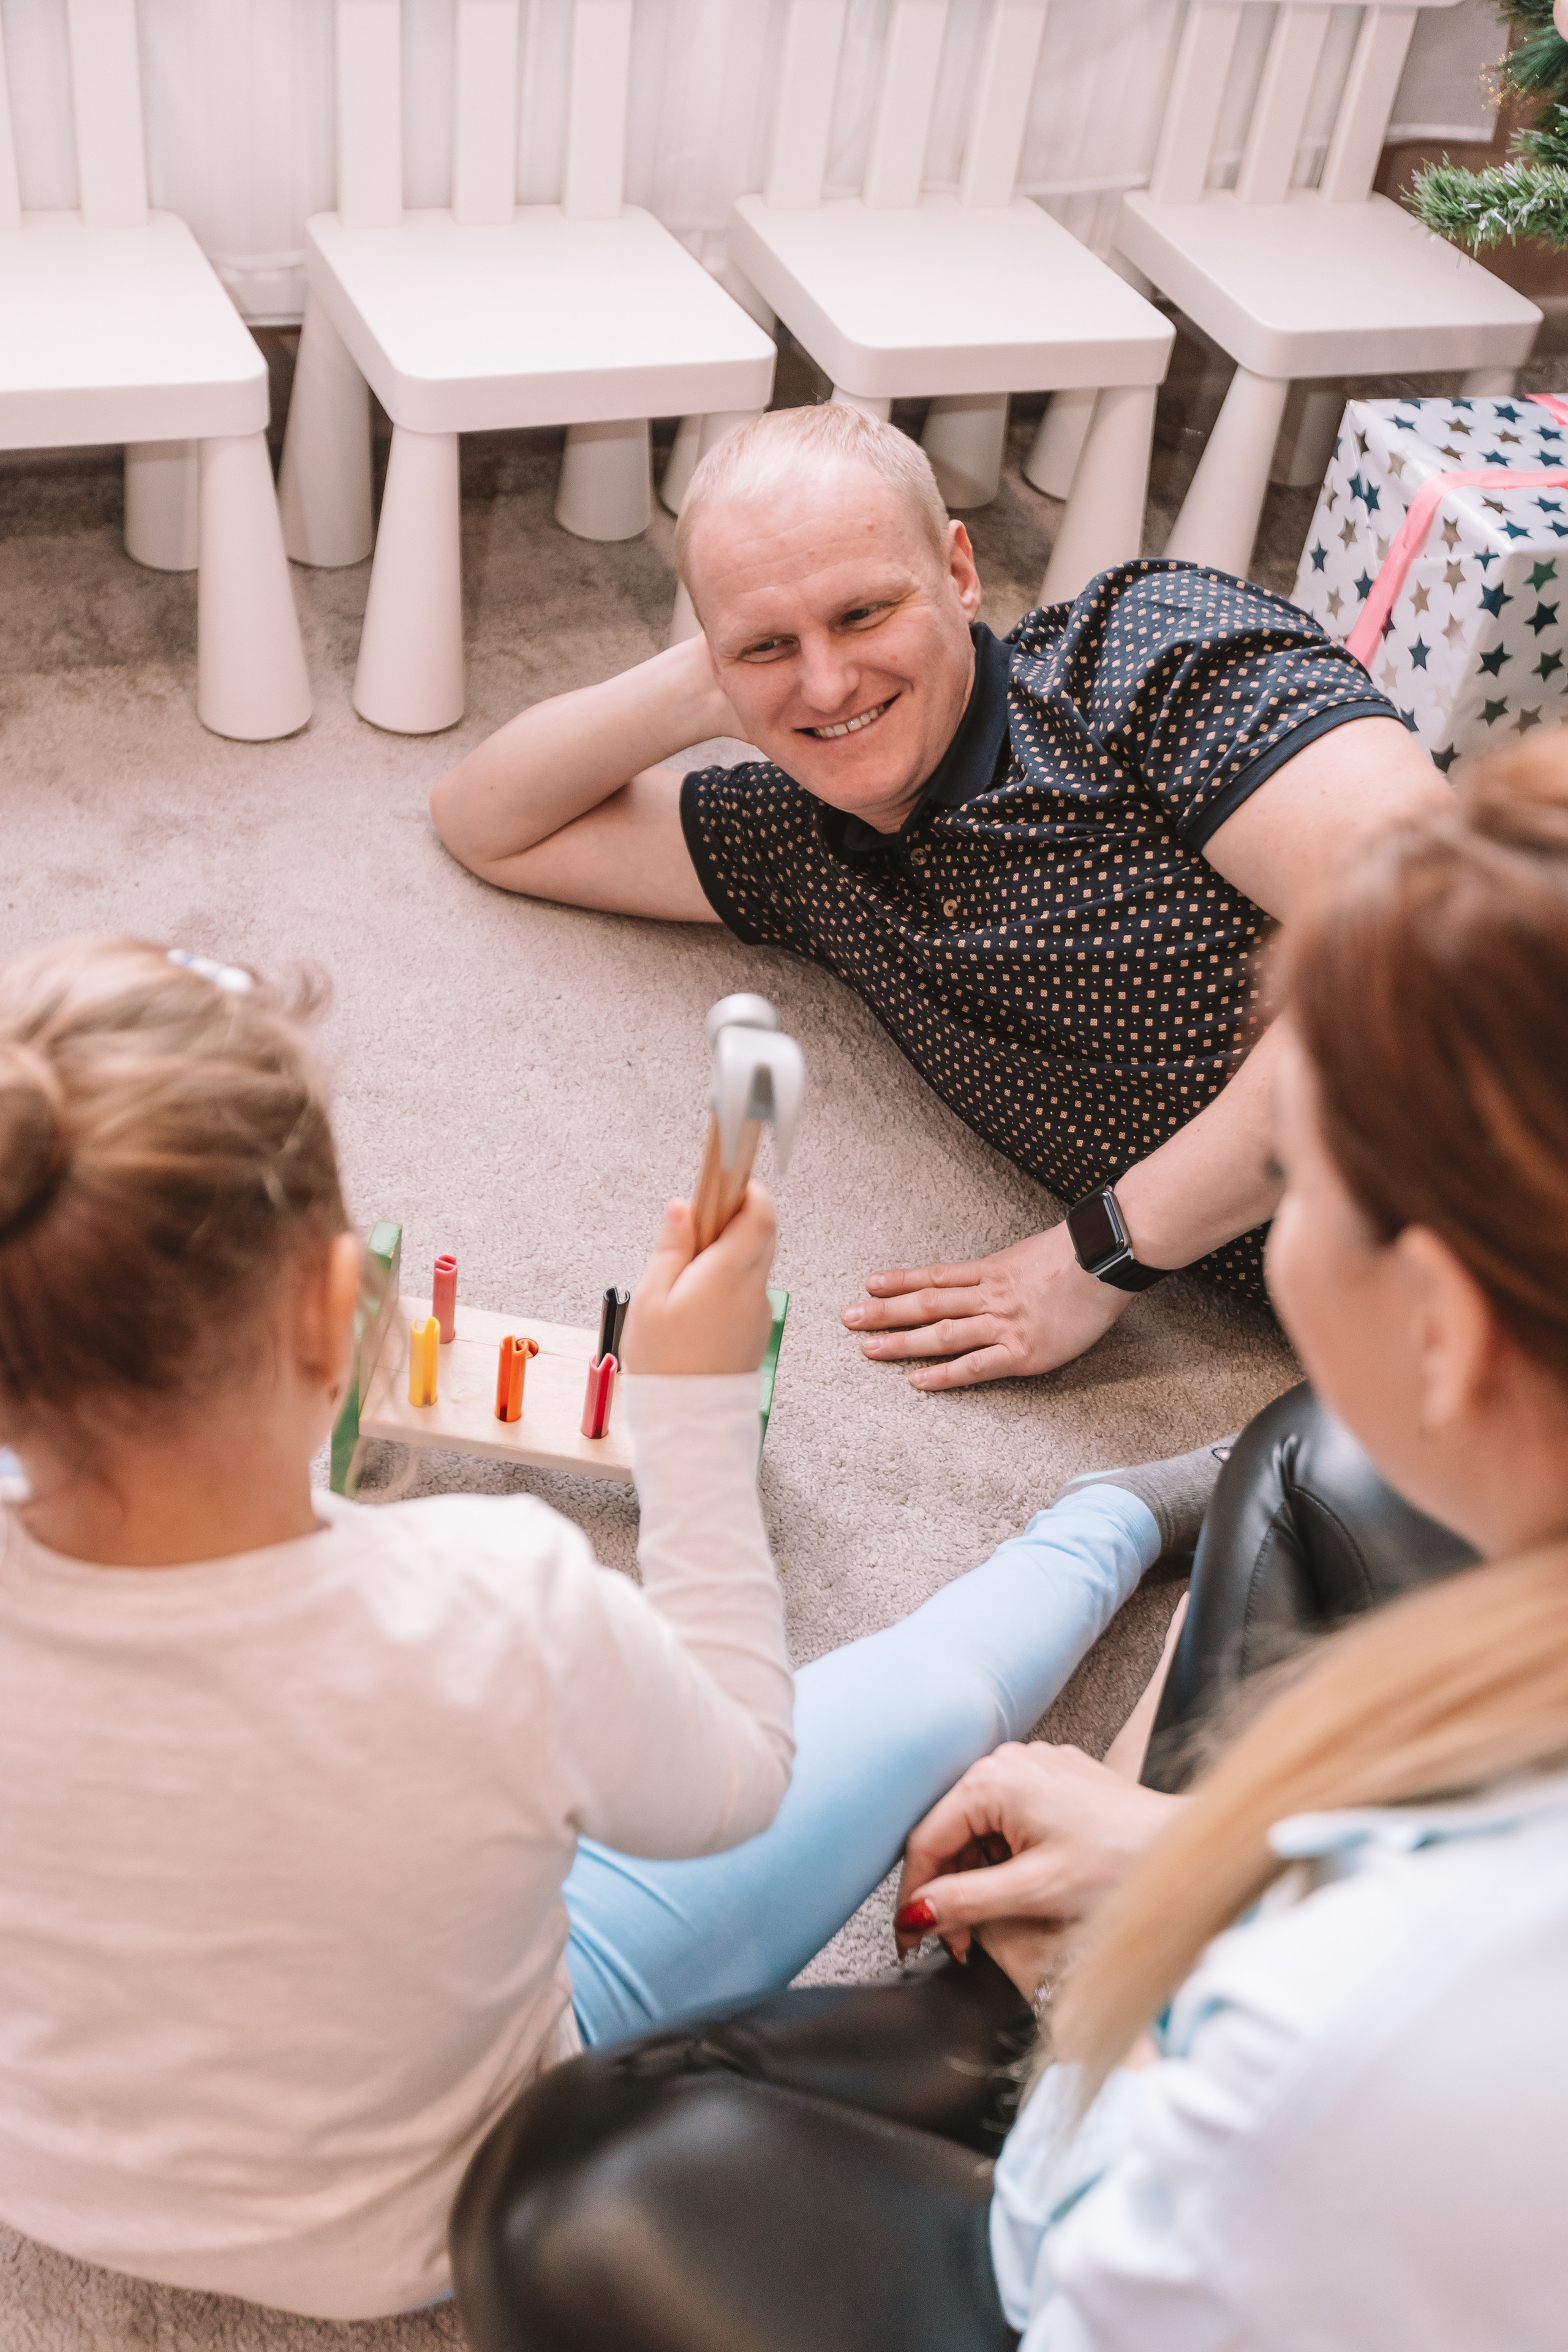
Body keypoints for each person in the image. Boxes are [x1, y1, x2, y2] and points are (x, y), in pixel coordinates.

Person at [448, 742, 1568, 2352]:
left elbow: (1118, 2290)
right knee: (1311, 1456)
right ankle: (1008, 1985)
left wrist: (1134, 1973)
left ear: (1451, 1324)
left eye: (1292, 1178)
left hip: (1163, 2212)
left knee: (576, 2185)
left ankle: (1008, 2007)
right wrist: (1171, 1850)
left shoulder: (1354, 2045)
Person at [0, 932, 1230, 2322]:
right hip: (422, 2204)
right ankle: (1106, 1522)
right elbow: (736, 1773)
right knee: (930, 1696)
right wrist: (691, 1418)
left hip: (52, 2177)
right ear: (341, 1315)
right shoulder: (489, 1600)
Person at [431, 401, 1444, 1392]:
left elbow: (1428, 948)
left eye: (863, 613)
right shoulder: (800, 839)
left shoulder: (1143, 649)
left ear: (959, 572)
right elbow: (488, 818)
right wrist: (716, 678)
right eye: (767, 645)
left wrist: (1107, 1247)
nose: (827, 687)